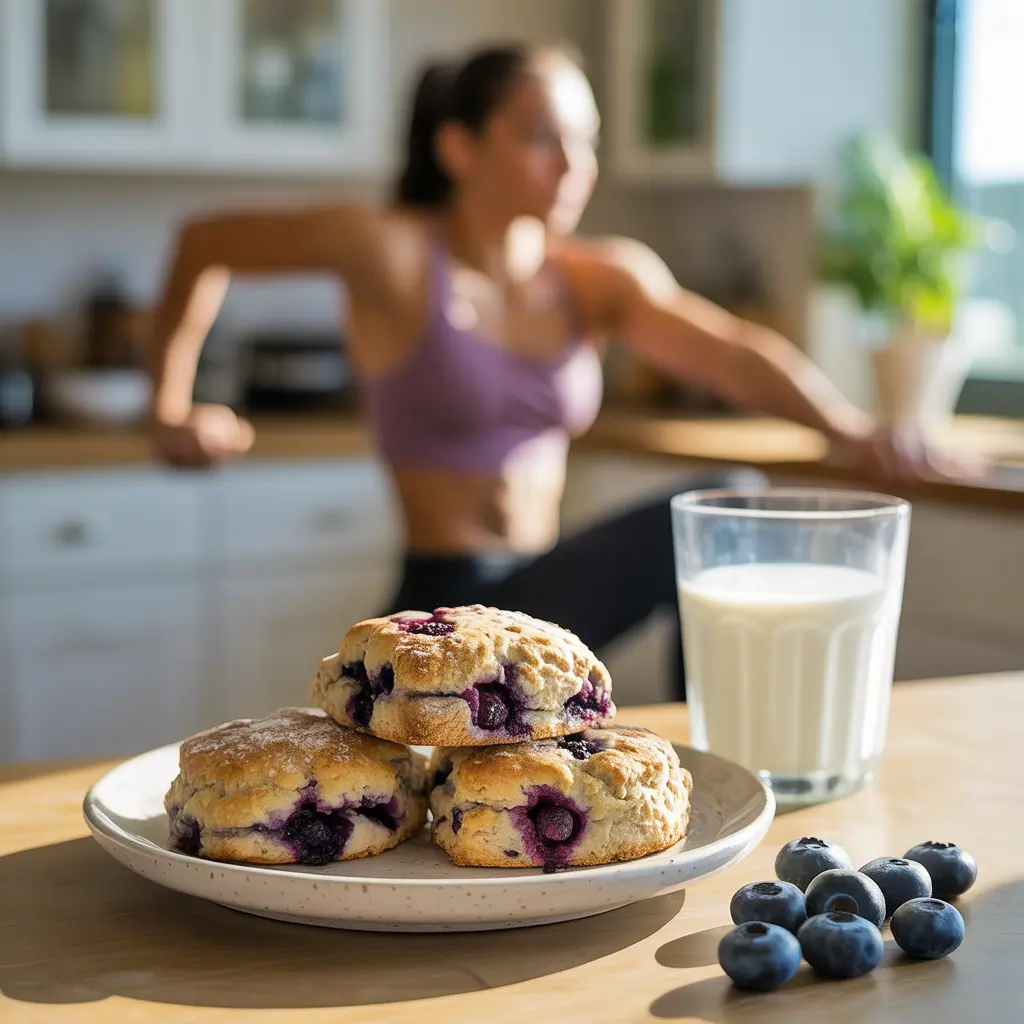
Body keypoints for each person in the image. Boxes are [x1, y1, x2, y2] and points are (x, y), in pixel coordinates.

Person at [149, 44, 962, 698]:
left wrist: (854, 430)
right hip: (438, 604)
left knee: (722, 502)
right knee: (719, 496)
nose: (575, 163)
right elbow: (203, 244)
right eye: (543, 137)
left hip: (538, 603)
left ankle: (717, 771)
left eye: (587, 139)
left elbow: (729, 352)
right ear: (459, 146)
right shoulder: (390, 252)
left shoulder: (596, 277)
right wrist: (171, 405)